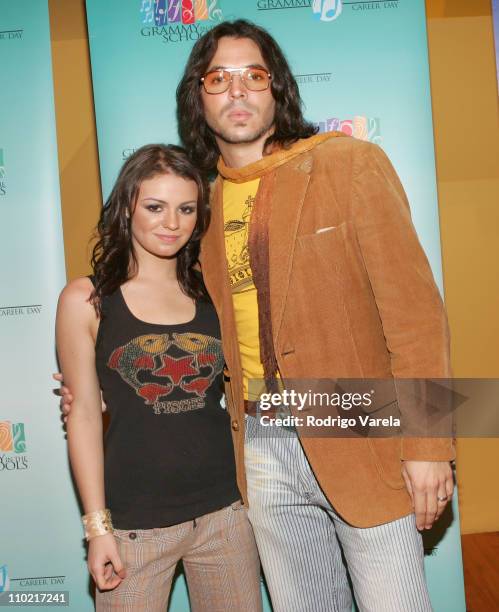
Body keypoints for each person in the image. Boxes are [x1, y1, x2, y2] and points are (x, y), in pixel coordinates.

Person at [59, 19, 455, 612]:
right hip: (258, 441)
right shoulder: (200, 202)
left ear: (279, 89)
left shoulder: (349, 163)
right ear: (197, 96)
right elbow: (168, 314)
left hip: (355, 422)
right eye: (219, 78)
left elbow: (416, 314)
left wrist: (429, 445)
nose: (238, 91)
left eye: (254, 76)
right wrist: (101, 381)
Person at [55, 144, 261, 612]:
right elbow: (83, 416)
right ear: (127, 207)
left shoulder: (214, 290)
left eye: (186, 208)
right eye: (155, 206)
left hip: (226, 515)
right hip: (134, 527)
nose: (172, 222)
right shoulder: (86, 299)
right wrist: (97, 529)